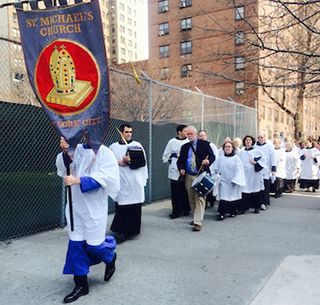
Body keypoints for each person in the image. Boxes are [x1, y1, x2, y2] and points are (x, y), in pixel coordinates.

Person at [56, 137, 120, 303]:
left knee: (94, 244)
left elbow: (107, 178)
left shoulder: (105, 153)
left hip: (94, 208)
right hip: (75, 207)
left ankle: (110, 257)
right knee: (76, 244)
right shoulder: (75, 149)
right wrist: (65, 152)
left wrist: (78, 180)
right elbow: (64, 168)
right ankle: (81, 285)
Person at [109, 124, 148, 241]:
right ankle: (121, 230)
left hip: (134, 181)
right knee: (122, 205)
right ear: (121, 133)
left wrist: (131, 161)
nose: (129, 134)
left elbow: (142, 162)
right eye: (126, 132)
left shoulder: (137, 145)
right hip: (121, 181)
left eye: (131, 132)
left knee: (133, 206)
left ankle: (131, 230)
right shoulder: (113, 147)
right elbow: (108, 161)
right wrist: (120, 161)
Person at [177, 126, 215, 232]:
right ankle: (195, 217)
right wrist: (181, 169)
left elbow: (212, 156)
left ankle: (198, 221)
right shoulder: (184, 147)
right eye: (187, 134)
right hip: (189, 175)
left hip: (201, 175)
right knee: (191, 199)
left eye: (191, 134)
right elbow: (180, 161)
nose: (189, 136)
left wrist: (208, 161)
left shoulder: (204, 144)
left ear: (196, 134)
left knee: (200, 198)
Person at [162, 125, 190, 219]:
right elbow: (166, 155)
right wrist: (173, 156)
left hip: (187, 169)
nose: (187, 132)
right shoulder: (172, 142)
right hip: (175, 169)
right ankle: (176, 211)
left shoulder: (189, 141)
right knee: (175, 192)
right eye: (185, 131)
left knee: (185, 190)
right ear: (179, 132)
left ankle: (186, 209)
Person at [213, 140, 245, 220]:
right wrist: (217, 175)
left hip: (232, 182)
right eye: (226, 147)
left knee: (232, 197)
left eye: (229, 147)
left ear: (232, 148)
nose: (227, 148)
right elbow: (216, 168)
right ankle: (222, 213)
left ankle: (232, 212)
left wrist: (236, 180)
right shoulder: (220, 158)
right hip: (223, 181)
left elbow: (239, 170)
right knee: (224, 198)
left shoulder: (236, 158)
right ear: (223, 149)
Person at [238, 135, 267, 214]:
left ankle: (256, 207)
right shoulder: (241, 152)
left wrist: (255, 163)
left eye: (249, 140)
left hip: (254, 174)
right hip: (245, 174)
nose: (248, 141)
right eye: (246, 140)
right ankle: (243, 208)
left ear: (252, 142)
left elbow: (264, 161)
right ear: (244, 142)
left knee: (255, 190)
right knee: (244, 190)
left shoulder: (257, 151)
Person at [254, 131, 276, 210]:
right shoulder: (254, 145)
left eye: (261, 137)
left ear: (265, 137)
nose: (260, 139)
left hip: (266, 169)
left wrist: (273, 169)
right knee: (257, 186)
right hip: (257, 168)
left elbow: (273, 157)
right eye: (258, 137)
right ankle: (257, 202)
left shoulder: (269, 146)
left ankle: (264, 202)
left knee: (265, 186)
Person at [198, 129, 219, 208]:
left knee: (209, 185)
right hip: (200, 168)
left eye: (203, 136)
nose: (201, 137)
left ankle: (211, 200)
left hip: (210, 168)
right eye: (200, 136)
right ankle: (205, 203)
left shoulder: (211, 145)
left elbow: (215, 157)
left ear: (206, 136)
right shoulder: (197, 145)